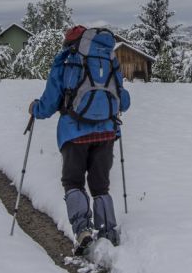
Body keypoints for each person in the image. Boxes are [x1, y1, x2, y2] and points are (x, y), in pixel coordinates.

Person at [29, 25, 131, 255]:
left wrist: (35, 109)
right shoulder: (109, 60)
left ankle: (82, 230)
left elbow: (50, 102)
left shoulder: (66, 62)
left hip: (74, 133)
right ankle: (108, 233)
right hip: (106, 133)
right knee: (100, 186)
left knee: (73, 182)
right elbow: (123, 101)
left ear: (70, 43)